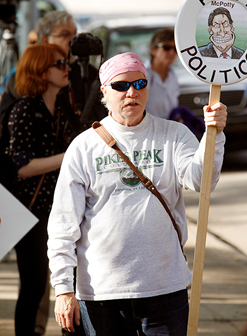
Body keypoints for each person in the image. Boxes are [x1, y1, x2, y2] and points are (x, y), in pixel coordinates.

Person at [48, 52, 227, 335]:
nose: (132, 92)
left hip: (164, 289)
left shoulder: (174, 135)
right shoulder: (83, 147)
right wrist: (62, 288)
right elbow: (63, 224)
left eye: (140, 84)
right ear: (105, 90)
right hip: (100, 294)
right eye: (121, 85)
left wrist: (213, 135)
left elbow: (201, 182)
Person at [6, 43, 70, 336]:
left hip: (64, 207)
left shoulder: (65, 108)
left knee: (71, 283)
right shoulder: (24, 109)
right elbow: (23, 166)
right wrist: (67, 158)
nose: (66, 68)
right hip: (29, 210)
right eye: (60, 64)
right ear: (41, 70)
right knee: (33, 286)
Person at [0, 10, 106, 128]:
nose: (73, 39)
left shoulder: (90, 73)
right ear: (45, 40)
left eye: (75, 34)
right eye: (65, 34)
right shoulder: (23, 76)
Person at [145, 28, 205, 138]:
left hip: (169, 134)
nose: (172, 53)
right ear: (153, 50)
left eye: (176, 49)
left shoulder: (173, 76)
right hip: (149, 134)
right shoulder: (143, 75)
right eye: (166, 47)